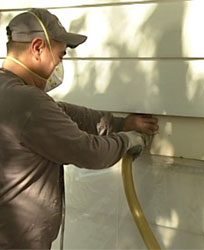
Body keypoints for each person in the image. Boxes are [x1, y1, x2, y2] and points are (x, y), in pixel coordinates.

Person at [0, 8, 159, 249]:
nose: (58, 66)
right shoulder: (28, 102)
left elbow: (61, 112)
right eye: (60, 56)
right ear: (37, 48)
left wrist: (119, 123)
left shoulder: (9, 92)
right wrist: (129, 140)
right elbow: (89, 151)